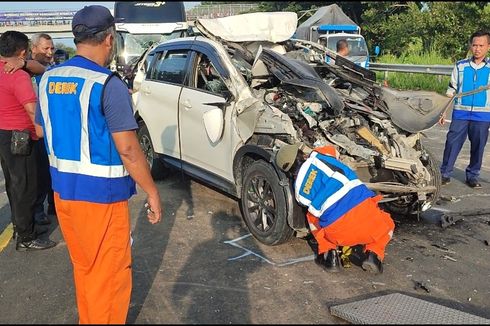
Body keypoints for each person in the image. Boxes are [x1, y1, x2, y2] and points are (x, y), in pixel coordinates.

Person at [34, 5, 162, 324]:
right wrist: (152, 192)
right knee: (110, 277)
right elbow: (129, 150)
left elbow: (39, 129)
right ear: (109, 39)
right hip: (101, 200)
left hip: (64, 196)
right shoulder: (108, 84)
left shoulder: (49, 79)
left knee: (87, 270)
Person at [276, 143, 395, 274]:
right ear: (301, 154)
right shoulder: (319, 155)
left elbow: (308, 204)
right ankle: (374, 254)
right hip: (368, 225)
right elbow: (334, 151)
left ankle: (329, 256)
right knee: (388, 224)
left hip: (338, 234)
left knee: (312, 216)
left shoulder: (299, 191)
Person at [0, 30, 57, 251]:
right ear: (23, 51)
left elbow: (41, 68)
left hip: (5, 135)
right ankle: (26, 237)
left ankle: (23, 227)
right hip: (21, 136)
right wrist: (44, 133)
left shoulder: (8, 69)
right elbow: (33, 111)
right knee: (26, 187)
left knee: (15, 185)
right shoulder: (18, 76)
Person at [439, 30, 490, 189]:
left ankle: (472, 176)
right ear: (470, 46)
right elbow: (451, 91)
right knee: (452, 143)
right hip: (460, 113)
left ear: (488, 47)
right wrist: (443, 111)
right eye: (474, 45)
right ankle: (445, 174)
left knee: (478, 147)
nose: (477, 49)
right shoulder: (460, 66)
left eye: (481, 45)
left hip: (482, 116)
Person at [30, 33, 56, 226]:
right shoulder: (26, 71)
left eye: (51, 48)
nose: (49, 52)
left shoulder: (54, 70)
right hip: (35, 131)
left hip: (53, 130)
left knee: (54, 169)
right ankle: (38, 210)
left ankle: (54, 205)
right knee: (39, 174)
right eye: (45, 48)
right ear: (33, 50)